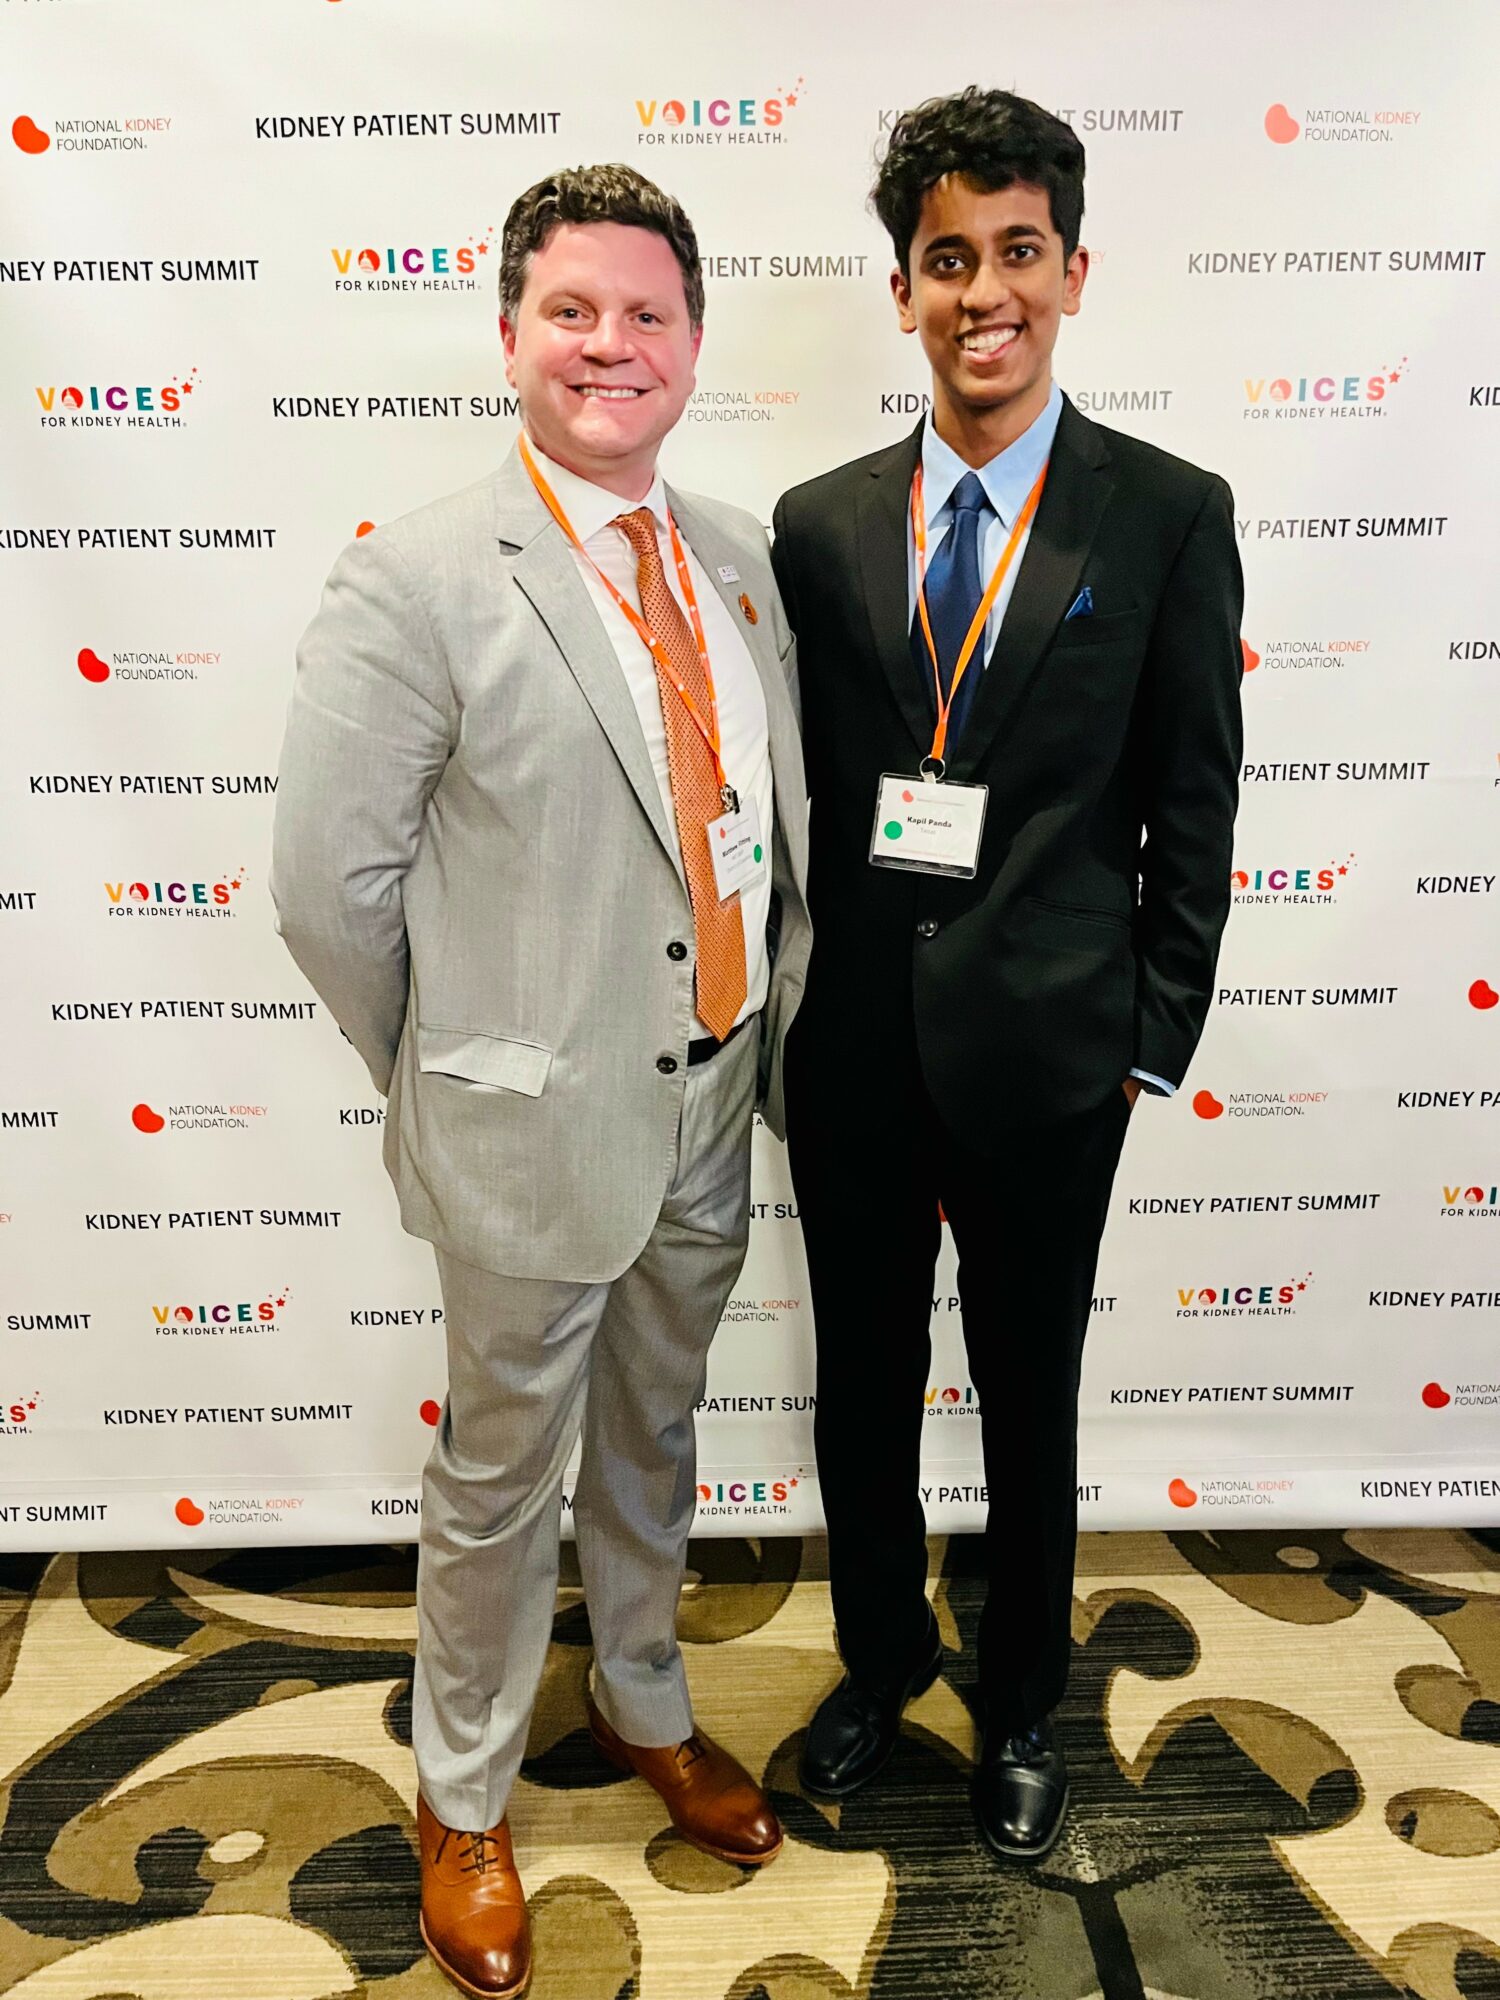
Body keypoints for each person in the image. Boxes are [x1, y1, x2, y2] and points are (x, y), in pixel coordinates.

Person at [272, 163, 810, 1998]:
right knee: (500, 1477)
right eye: (572, 310)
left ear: (694, 343)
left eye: (647, 313)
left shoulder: (737, 560)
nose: (610, 345)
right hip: (526, 1130)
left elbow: (760, 829)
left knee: (656, 1435)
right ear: (510, 335)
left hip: (715, 1097)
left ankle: (642, 1695)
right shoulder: (418, 574)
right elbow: (328, 892)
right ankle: (465, 1792)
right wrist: (452, 1073)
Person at [770, 88, 1242, 1862]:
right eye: (949, 259)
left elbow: (1196, 797)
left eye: (1018, 253)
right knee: (861, 1389)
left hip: (1055, 1055)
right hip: (857, 1051)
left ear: (1074, 272)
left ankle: (1024, 1696)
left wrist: (1148, 1037)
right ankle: (881, 1662)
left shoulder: (1166, 513)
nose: (986, 293)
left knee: (1029, 1393)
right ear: (902, 290)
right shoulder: (814, 526)